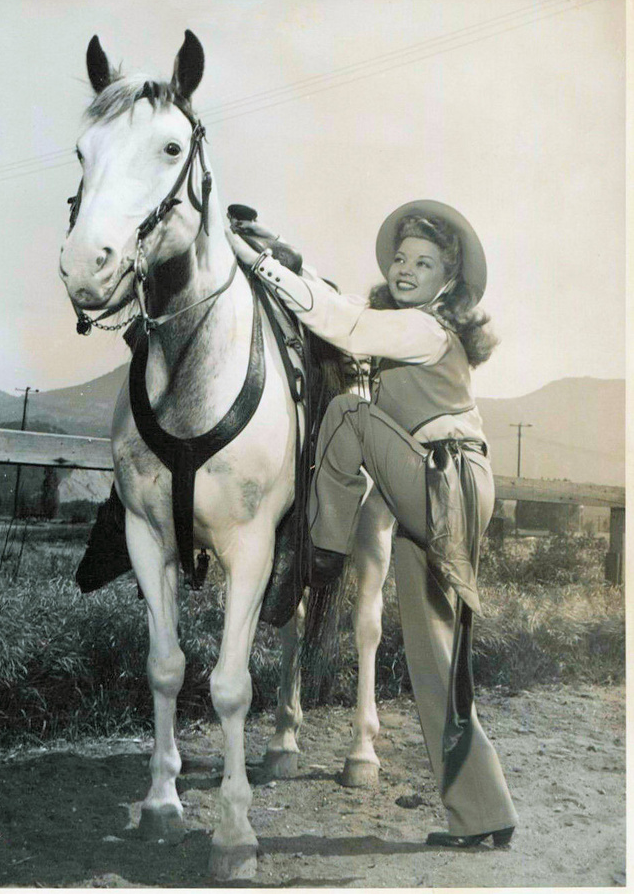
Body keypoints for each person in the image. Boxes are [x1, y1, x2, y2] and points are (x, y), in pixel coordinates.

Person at [228, 200, 519, 848]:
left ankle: (317, 558)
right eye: (400, 257)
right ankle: (483, 813)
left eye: (424, 261)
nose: (406, 267)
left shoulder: (423, 327)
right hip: (439, 486)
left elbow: (347, 327)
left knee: (348, 417)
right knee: (433, 657)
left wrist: (262, 264)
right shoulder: (413, 333)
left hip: (445, 479)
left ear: (450, 281)